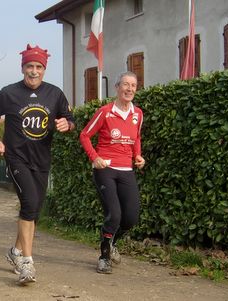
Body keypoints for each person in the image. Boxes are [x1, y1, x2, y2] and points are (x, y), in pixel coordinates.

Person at [0, 44, 75, 285]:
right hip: (16, 158)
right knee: (29, 203)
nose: (33, 71)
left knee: (33, 212)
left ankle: (14, 252)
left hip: (42, 160)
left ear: (44, 69)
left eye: (38, 66)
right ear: (22, 67)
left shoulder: (55, 93)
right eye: (29, 66)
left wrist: (68, 125)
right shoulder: (9, 93)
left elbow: (69, 118)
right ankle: (27, 262)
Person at [79, 71, 145, 274]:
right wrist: (95, 158)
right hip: (105, 169)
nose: (130, 89)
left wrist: (138, 156)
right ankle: (104, 256)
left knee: (131, 217)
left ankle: (112, 243)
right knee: (114, 214)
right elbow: (85, 135)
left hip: (126, 170)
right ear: (117, 87)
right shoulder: (105, 112)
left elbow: (136, 139)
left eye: (133, 85)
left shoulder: (138, 114)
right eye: (126, 84)